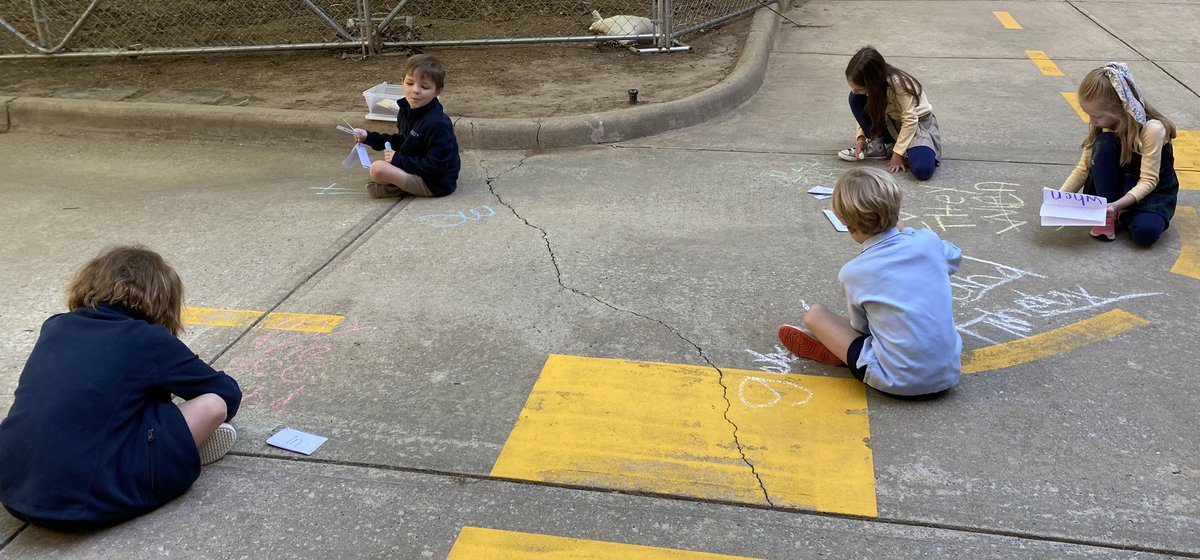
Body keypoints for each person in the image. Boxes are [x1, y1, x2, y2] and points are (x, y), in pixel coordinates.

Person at [0, 246, 241, 531]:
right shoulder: (147, 339)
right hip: (86, 503)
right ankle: (179, 453)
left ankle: (168, 445)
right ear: (163, 298)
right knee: (212, 405)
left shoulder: (55, 326)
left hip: (13, 488)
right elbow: (227, 394)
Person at [778, 168, 962, 397]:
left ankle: (839, 352)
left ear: (849, 227)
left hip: (895, 381)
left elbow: (863, 329)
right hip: (948, 373)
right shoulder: (927, 241)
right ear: (897, 211)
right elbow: (955, 257)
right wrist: (909, 232)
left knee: (815, 315)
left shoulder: (853, 272)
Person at [1059, 63, 1179, 245]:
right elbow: (1083, 169)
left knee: (1146, 233)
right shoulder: (1103, 126)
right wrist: (1059, 201)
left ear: (1120, 111)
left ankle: (1120, 214)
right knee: (1104, 143)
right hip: (1113, 190)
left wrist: (1117, 206)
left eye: (1096, 116)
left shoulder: (1152, 129)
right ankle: (1108, 216)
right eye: (1088, 114)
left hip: (1150, 194)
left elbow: (1149, 181)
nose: (1091, 121)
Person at [354, 54, 461, 199]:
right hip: (416, 168)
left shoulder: (437, 124)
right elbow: (402, 141)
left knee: (378, 169)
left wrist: (398, 159)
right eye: (410, 83)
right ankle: (400, 185)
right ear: (402, 82)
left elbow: (436, 165)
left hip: (436, 182)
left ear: (437, 91)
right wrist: (369, 137)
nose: (416, 90)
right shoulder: (406, 110)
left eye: (424, 86)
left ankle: (395, 189)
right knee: (378, 172)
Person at [837, 46, 942, 181]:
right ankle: (878, 144)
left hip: (916, 126)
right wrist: (861, 139)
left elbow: (910, 121)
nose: (854, 90)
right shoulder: (870, 90)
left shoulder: (898, 85)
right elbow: (867, 110)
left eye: (858, 88)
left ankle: (900, 149)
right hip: (890, 123)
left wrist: (897, 155)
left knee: (923, 170)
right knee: (855, 99)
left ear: (872, 83)